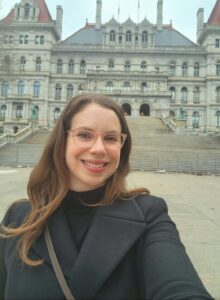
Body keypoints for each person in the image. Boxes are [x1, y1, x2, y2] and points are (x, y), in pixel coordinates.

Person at [0, 94, 214, 300]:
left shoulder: (149, 215)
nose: (99, 149)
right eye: (84, 135)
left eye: (111, 138)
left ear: (122, 147)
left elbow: (178, 286)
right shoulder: (18, 219)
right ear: (62, 141)